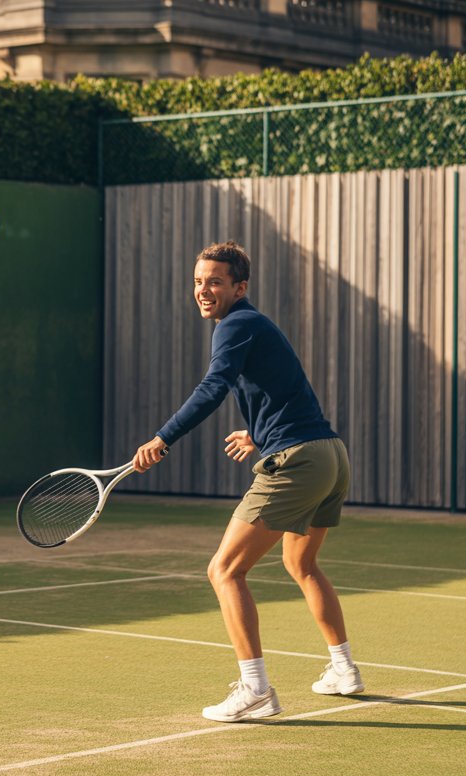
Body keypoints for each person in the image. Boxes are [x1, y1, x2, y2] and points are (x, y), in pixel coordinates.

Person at [133, 240, 362, 723]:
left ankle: (255, 689)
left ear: (240, 287)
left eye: (215, 281)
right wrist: (260, 433)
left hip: (299, 461)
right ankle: (344, 670)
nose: (203, 290)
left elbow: (213, 387)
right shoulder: (253, 325)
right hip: (329, 454)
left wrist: (163, 438)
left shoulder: (236, 324)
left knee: (224, 570)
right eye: (198, 281)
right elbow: (286, 391)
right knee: (302, 564)